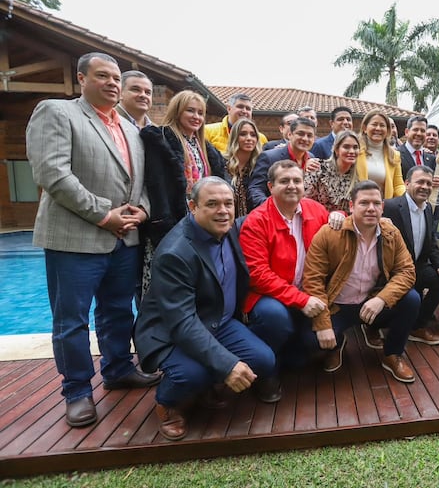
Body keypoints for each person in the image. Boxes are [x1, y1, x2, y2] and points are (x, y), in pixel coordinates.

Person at [26, 52, 160, 428]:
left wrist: (143, 211)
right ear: (81, 79)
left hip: (124, 239)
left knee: (118, 311)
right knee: (71, 320)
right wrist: (104, 214)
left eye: (117, 77)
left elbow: (143, 182)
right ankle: (78, 392)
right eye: (103, 76)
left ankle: (118, 370)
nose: (113, 83)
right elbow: (52, 173)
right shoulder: (57, 112)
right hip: (76, 237)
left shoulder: (132, 128)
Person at [134, 177, 277, 441]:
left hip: (217, 321)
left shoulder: (229, 227)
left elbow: (270, 213)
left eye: (227, 203)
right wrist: (227, 364)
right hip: (171, 332)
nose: (222, 210)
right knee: (192, 374)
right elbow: (182, 323)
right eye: (212, 204)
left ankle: (207, 383)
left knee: (264, 360)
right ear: (192, 207)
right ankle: (167, 403)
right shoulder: (175, 254)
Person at [301, 181, 420, 383]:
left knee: (412, 299)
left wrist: (382, 299)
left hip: (371, 302)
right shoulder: (329, 234)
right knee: (309, 341)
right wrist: (323, 324)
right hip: (338, 306)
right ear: (351, 206)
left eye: (376, 203)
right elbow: (313, 280)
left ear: (383, 206)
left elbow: (407, 271)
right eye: (364, 203)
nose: (371, 208)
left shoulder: (392, 233)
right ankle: (337, 344)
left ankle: (392, 353)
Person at [239, 161, 333, 398]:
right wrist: (301, 300)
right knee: (276, 319)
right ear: (270, 186)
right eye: (284, 181)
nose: (292, 186)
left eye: (297, 181)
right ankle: (265, 371)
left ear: (304, 185)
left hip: (305, 292)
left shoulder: (315, 210)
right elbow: (258, 275)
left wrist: (340, 215)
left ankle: (285, 355)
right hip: (268, 296)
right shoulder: (256, 221)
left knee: (311, 347)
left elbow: (337, 221)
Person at [140, 90, 226, 294]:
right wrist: (161, 223)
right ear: (177, 111)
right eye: (190, 111)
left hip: (200, 222)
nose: (196, 117)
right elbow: (156, 184)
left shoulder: (204, 147)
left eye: (200, 112)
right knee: (165, 280)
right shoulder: (161, 139)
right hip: (172, 222)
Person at [383, 166, 439, 346]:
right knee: (411, 297)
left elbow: (431, 242)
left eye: (429, 183)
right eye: (420, 182)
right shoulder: (391, 207)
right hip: (395, 270)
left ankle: (417, 326)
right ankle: (378, 326)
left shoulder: (428, 208)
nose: (425, 186)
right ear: (407, 184)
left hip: (417, 267)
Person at [248, 117, 319, 208]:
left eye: (309, 135)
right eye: (300, 134)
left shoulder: (312, 158)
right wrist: (271, 208)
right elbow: (255, 189)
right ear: (289, 135)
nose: (305, 139)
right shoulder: (269, 157)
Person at [305, 130, 361, 212]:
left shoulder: (356, 180)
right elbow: (304, 201)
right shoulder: (318, 167)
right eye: (346, 147)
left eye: (355, 147)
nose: (352, 151)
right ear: (336, 150)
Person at [356, 110, 406, 199]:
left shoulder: (394, 155)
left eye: (382, 125)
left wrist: (410, 197)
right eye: (374, 124)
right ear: (364, 128)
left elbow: (398, 185)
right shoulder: (355, 151)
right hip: (357, 204)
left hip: (382, 207)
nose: (378, 128)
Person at [223, 118, 262, 217]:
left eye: (253, 135)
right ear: (235, 137)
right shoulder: (222, 163)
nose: (249, 138)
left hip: (254, 221)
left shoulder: (260, 166)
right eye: (243, 134)